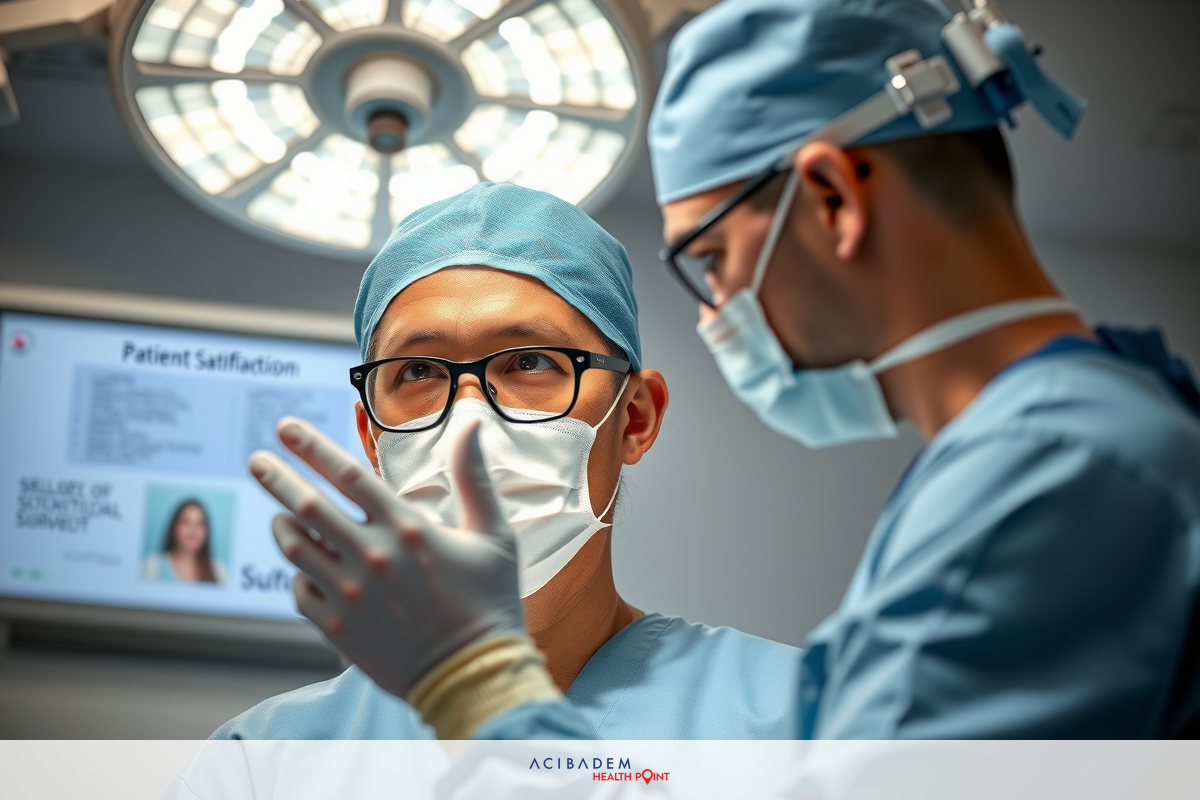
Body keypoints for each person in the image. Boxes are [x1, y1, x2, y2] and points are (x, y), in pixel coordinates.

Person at [246, 0, 1200, 742]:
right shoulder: (1061, 451)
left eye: (710, 258)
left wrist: (473, 687)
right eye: (418, 374)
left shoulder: (1059, 473)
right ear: (369, 426)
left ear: (832, 198)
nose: (716, 314)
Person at [215, 181, 801, 740]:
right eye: (418, 371)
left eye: (531, 362)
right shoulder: (263, 764)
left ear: (635, 417)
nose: (469, 424)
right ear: (373, 439)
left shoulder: (798, 723)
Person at [141, 499, 226, 584]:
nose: (193, 531)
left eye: (200, 524)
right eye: (186, 523)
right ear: (174, 528)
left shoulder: (219, 571)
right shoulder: (152, 566)